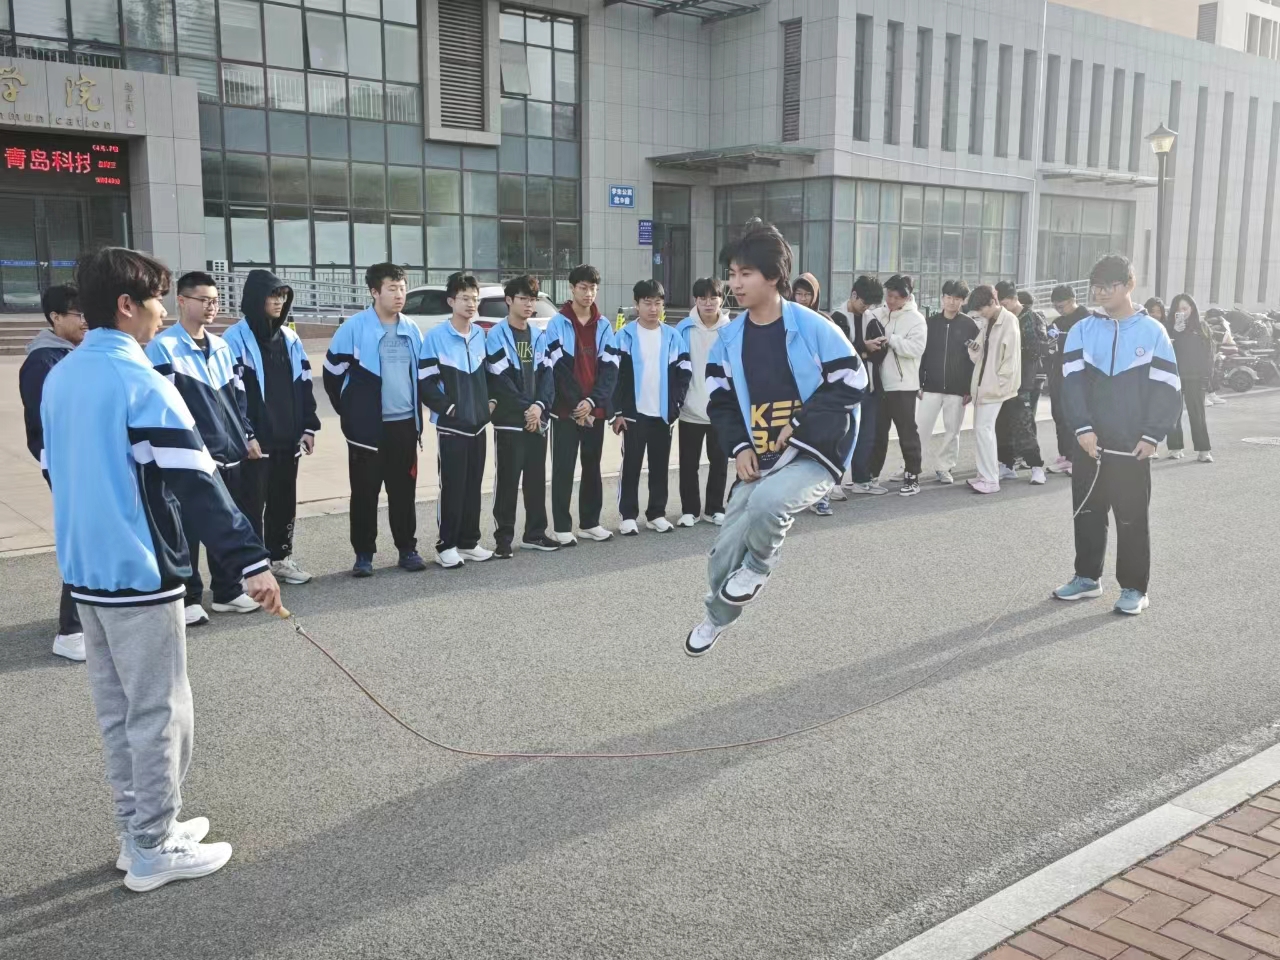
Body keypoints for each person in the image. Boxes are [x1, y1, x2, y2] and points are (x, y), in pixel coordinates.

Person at [41, 246, 281, 892]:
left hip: (86, 569)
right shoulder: (141, 379)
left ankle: (139, 829)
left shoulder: (62, 376)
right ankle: (153, 844)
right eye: (154, 300)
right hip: (139, 570)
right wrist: (250, 562)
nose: (161, 313)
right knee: (160, 712)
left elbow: (53, 469)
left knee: (119, 711)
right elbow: (196, 481)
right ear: (127, 305)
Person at [685, 222, 865, 656]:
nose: (735, 284)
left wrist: (800, 421)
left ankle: (760, 564)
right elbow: (720, 401)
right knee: (722, 555)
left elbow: (853, 381)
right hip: (762, 456)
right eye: (732, 274)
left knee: (768, 505)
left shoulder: (813, 326)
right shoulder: (730, 338)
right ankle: (716, 617)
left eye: (745, 274)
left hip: (815, 452)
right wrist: (740, 447)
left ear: (773, 276)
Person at [1055, 255, 1181, 615]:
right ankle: (1086, 578)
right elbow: (1070, 385)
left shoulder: (1153, 332)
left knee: (1131, 517)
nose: (1100, 293)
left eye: (1109, 286)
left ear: (1129, 284)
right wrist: (1082, 429)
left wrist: (1152, 435)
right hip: (1088, 443)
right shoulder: (1081, 330)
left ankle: (1134, 588)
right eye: (1096, 286)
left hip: (1132, 445)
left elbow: (1168, 388)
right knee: (1087, 511)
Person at [146, 272, 261, 623]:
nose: (212, 306)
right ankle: (189, 597)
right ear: (181, 301)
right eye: (204, 300)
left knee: (225, 519)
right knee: (188, 527)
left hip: (230, 451)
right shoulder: (163, 348)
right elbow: (162, 407)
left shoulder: (222, 346)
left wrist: (246, 435)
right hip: (190, 454)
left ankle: (228, 591)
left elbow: (239, 398)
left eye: (215, 300)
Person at [322, 263, 426, 577]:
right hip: (367, 430)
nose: (399, 295)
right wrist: (353, 414)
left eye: (402, 288)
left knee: (403, 492)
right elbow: (332, 374)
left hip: (404, 425)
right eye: (392, 289)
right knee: (365, 493)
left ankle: (407, 549)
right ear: (374, 292)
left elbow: (419, 375)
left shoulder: (411, 329)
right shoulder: (354, 328)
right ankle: (364, 554)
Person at [222, 270, 320, 586]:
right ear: (255, 299)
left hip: (288, 438)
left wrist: (309, 427)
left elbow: (305, 384)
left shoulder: (290, 338)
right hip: (255, 442)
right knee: (250, 506)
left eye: (282, 296)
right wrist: (246, 434)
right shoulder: (234, 339)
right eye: (272, 296)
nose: (279, 302)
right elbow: (230, 394)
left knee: (283, 502)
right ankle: (251, 568)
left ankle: (280, 559)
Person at [18, 283, 87, 660]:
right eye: (78, 314)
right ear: (55, 317)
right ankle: (70, 631)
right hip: (68, 465)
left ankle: (85, 621)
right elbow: (45, 425)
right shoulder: (43, 361)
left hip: (85, 463)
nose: (85, 321)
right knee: (82, 540)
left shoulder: (73, 354)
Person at [419, 272, 494, 568]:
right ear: (451, 301)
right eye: (464, 298)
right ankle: (446, 545)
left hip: (478, 426)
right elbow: (425, 382)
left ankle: (469, 542)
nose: (471, 304)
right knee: (452, 486)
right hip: (452, 428)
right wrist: (449, 409)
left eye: (474, 299)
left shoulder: (480, 335)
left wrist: (489, 405)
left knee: (474, 485)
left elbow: (490, 376)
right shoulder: (436, 337)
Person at [542, 264, 619, 544]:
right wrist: (578, 404)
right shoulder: (558, 323)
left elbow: (610, 369)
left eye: (593, 288)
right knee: (563, 468)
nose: (588, 293)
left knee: (592, 466)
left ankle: (590, 523)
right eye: (583, 288)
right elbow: (557, 369)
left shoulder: (604, 325)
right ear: (572, 288)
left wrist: (592, 401)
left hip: (593, 411)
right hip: (565, 411)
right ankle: (561, 527)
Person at [484, 275, 558, 558]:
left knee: (536, 480)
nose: (529, 304)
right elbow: (500, 379)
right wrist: (529, 408)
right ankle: (503, 539)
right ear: (509, 300)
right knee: (507, 481)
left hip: (537, 420)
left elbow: (548, 376)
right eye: (523, 299)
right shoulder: (496, 335)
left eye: (532, 299)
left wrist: (539, 406)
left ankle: (535, 534)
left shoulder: (539, 335)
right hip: (510, 421)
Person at [612, 279, 692, 535]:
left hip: (663, 414)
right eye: (647, 303)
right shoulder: (624, 336)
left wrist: (675, 406)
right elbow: (613, 377)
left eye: (658, 303)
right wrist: (617, 412)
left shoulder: (672, 336)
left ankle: (656, 514)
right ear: (637, 304)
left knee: (660, 466)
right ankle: (627, 516)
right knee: (631, 465)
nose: (653, 308)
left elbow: (684, 373)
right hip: (633, 415)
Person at [675, 277, 730, 527]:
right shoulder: (683, 329)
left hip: (720, 409)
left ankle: (715, 508)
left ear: (721, 299)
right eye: (702, 298)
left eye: (713, 297)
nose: (708, 303)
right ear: (695, 300)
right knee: (688, 464)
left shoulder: (730, 331)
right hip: (690, 409)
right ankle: (689, 510)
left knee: (719, 462)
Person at [870, 274, 926, 496]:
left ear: (907, 297)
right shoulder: (877, 314)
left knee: (907, 432)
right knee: (877, 433)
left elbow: (916, 349)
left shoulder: (916, 319)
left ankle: (912, 476)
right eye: (889, 295)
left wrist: (891, 339)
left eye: (896, 297)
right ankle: (871, 475)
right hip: (879, 384)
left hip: (903, 386)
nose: (891, 301)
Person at [917, 279, 978, 484]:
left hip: (957, 389)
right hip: (930, 386)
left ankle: (944, 467)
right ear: (942, 298)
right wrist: (919, 382)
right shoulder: (929, 323)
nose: (952, 302)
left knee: (953, 431)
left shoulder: (970, 325)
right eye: (949, 297)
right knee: (920, 428)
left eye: (957, 299)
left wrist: (968, 387)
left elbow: (973, 360)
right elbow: (921, 355)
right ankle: (911, 465)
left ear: (963, 301)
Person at [964, 285, 1022, 494]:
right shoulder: (990, 321)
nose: (980, 313)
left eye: (982, 309)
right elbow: (981, 353)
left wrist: (999, 385)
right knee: (982, 431)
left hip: (993, 387)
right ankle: (985, 475)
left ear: (992, 302)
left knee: (984, 430)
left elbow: (1011, 359)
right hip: (984, 384)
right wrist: (974, 348)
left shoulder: (1009, 321)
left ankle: (990, 479)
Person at [836, 275, 888, 495]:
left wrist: (862, 350)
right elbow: (840, 353)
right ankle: (833, 484)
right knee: (842, 437)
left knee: (866, 437)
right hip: (844, 390)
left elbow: (882, 351)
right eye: (864, 303)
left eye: (870, 305)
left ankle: (861, 480)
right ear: (854, 294)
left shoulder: (871, 319)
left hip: (870, 388)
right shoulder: (837, 318)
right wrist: (865, 348)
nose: (866, 308)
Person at [993, 284, 1048, 485]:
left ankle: (1036, 467)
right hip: (1003, 380)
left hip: (1024, 381)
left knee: (1023, 425)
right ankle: (1007, 465)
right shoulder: (1001, 318)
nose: (1002, 307)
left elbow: (1039, 350)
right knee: (1002, 424)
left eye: (1005, 303)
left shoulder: (1031, 317)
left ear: (1014, 298)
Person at [1164, 294, 1215, 462]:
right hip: (1174, 375)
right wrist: (1174, 333)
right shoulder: (1168, 327)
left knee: (1197, 413)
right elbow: (1163, 351)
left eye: (1185, 308)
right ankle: (1175, 448)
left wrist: (1208, 377)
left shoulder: (1201, 326)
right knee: (1173, 413)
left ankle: (1204, 450)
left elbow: (1209, 353)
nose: (1182, 312)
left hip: (1196, 376)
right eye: (1178, 309)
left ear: (1192, 308)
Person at [1046, 285, 1090, 475]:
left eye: (1061, 306)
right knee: (1059, 415)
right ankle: (1065, 455)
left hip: (1079, 376)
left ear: (1073, 300)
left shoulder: (1087, 320)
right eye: (1055, 306)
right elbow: (1050, 347)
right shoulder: (1057, 322)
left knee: (1075, 416)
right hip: (1058, 374)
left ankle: (1078, 458)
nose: (1059, 310)